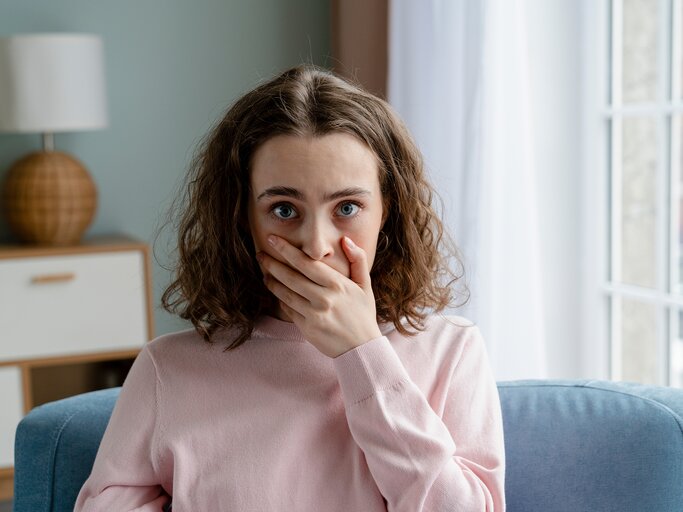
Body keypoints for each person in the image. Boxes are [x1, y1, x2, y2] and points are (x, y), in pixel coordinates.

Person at [74, 63, 506, 511]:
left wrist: (362, 354)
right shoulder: (167, 369)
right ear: (243, 216)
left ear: (387, 212)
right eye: (284, 210)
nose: (316, 246)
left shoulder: (451, 353)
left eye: (348, 207)